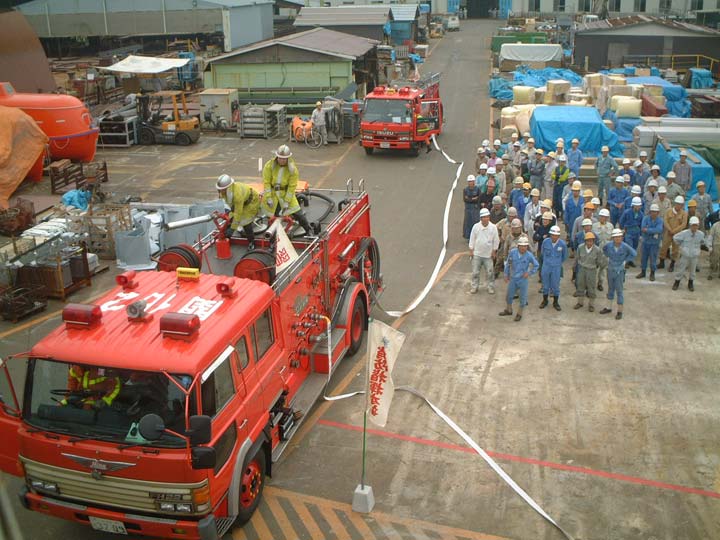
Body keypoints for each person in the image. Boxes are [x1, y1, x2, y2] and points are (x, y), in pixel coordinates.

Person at [262, 144, 313, 235]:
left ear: (288, 158)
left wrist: (287, 202)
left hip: (285, 194)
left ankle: (308, 230)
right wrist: (269, 197)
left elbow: (291, 187)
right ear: (276, 157)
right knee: (274, 217)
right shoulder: (269, 166)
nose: (281, 160)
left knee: (298, 214)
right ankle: (273, 238)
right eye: (280, 158)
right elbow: (267, 182)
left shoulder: (292, 170)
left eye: (284, 158)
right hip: (273, 195)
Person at [499, 235, 539, 322]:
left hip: (523, 280)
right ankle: (509, 310)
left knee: (523, 298)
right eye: (521, 246)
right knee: (509, 296)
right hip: (513, 278)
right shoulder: (513, 253)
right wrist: (506, 274)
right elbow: (508, 264)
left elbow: (536, 265)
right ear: (518, 246)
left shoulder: (529, 255)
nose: (523, 248)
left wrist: (529, 273)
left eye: (525, 246)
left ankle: (519, 313)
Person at [216, 174, 261, 248]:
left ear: (228, 187)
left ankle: (252, 242)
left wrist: (232, 229)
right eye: (220, 189)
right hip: (242, 202)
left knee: (246, 222)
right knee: (231, 218)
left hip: (251, 201)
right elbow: (230, 205)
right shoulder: (224, 192)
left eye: (223, 189)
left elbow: (238, 213)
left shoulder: (237, 195)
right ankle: (227, 238)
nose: (221, 191)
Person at [600, 229, 636, 320]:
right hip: (610, 269)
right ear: (613, 238)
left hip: (619, 271)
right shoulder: (609, 245)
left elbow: (634, 253)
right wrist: (607, 257)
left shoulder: (625, 246)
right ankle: (608, 307)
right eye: (616, 237)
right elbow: (603, 250)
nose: (617, 239)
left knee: (619, 291)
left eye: (619, 237)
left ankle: (620, 311)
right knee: (610, 289)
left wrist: (625, 261)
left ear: (622, 238)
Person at [468, 208, 500, 295]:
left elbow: (496, 240)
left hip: (488, 255)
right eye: (484, 217)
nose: (485, 219)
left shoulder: (493, 228)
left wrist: (494, 251)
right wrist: (471, 250)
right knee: (475, 272)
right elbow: (472, 239)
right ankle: (474, 286)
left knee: (490, 272)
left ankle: (490, 287)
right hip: (477, 254)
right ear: (481, 218)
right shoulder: (476, 227)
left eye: (487, 217)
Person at [672, 216, 705, 292]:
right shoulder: (684, 233)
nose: (694, 227)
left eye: (696, 225)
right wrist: (681, 246)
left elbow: (703, 241)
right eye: (693, 225)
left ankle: (690, 283)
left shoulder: (701, 234)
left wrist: (697, 249)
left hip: (694, 256)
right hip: (685, 255)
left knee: (693, 271)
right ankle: (677, 282)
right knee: (681, 269)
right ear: (690, 225)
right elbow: (675, 238)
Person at [574, 232, 605, 312]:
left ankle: (591, 305)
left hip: (591, 270)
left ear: (593, 241)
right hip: (582, 269)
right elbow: (577, 258)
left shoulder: (597, 250)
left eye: (591, 241)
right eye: (587, 240)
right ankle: (580, 302)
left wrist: (594, 267)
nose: (589, 242)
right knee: (580, 285)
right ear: (585, 241)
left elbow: (599, 261)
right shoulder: (580, 247)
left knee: (591, 287)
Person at [539, 225, 567, 311]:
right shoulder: (545, 242)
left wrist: (557, 263)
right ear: (550, 235)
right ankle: (545, 300)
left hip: (556, 268)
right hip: (546, 266)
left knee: (555, 285)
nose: (554, 237)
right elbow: (542, 253)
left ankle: (555, 302)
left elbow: (564, 256)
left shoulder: (562, 244)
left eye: (556, 235)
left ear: (558, 236)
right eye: (552, 235)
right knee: (545, 284)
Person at [658, 196, 688, 272]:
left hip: (677, 234)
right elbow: (665, 221)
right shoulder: (669, 211)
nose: (679, 206)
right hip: (668, 232)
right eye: (678, 204)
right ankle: (661, 262)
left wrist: (674, 231)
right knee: (664, 247)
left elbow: (683, 224)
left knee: (675, 249)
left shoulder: (684, 214)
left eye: (681, 204)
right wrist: (670, 229)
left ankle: (672, 264)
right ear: (675, 204)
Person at [636, 203, 663, 281]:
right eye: (652, 211)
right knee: (643, 258)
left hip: (654, 243)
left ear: (658, 213)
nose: (654, 213)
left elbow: (659, 230)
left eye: (655, 212)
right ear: (650, 212)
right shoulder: (645, 218)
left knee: (653, 259)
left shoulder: (660, 220)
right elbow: (642, 228)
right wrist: (653, 231)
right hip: (645, 242)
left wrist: (648, 230)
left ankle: (652, 273)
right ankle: (643, 272)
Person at [592, 208, 613, 291]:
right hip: (597, 250)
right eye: (601, 216)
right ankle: (592, 283)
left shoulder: (610, 226)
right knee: (594, 268)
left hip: (606, 251)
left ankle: (600, 283)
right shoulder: (594, 226)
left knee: (603, 268)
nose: (602, 218)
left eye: (604, 217)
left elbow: (611, 239)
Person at [619, 197, 643, 267]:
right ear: (633, 205)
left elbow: (641, 224)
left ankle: (631, 261)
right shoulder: (627, 212)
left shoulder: (641, 214)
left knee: (635, 246)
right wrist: (622, 229)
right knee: (629, 246)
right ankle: (626, 261)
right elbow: (621, 221)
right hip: (628, 231)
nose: (638, 207)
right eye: (637, 206)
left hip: (637, 231)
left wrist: (641, 234)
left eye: (639, 206)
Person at [563, 181, 584, 254]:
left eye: (577, 191)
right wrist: (566, 222)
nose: (575, 192)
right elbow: (566, 212)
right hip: (571, 221)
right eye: (574, 191)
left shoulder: (583, 200)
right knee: (572, 234)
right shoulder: (569, 201)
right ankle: (572, 250)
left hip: (581, 221)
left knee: (581, 235)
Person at [552, 155, 570, 220]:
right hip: (556, 186)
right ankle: (557, 214)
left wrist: (557, 178)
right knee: (555, 199)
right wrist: (558, 177)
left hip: (562, 186)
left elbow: (564, 178)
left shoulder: (567, 169)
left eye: (563, 161)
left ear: (565, 162)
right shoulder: (556, 168)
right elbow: (552, 175)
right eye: (560, 161)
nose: (561, 163)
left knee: (561, 200)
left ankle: (562, 214)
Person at [462, 175, 480, 239]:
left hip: (475, 209)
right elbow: (465, 199)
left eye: (472, 181)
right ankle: (468, 236)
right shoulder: (465, 190)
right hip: (468, 209)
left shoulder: (477, 189)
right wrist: (473, 199)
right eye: (469, 181)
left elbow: (478, 199)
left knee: (475, 222)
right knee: (468, 223)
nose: (470, 183)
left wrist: (470, 199)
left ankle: (476, 236)